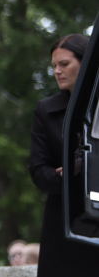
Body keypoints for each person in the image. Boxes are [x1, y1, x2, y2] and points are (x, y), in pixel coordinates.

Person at [29, 33, 99, 274]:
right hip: (64, 225)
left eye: (64, 64)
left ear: (86, 62)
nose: (57, 71)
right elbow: (38, 170)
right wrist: (68, 176)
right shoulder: (46, 110)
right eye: (54, 66)